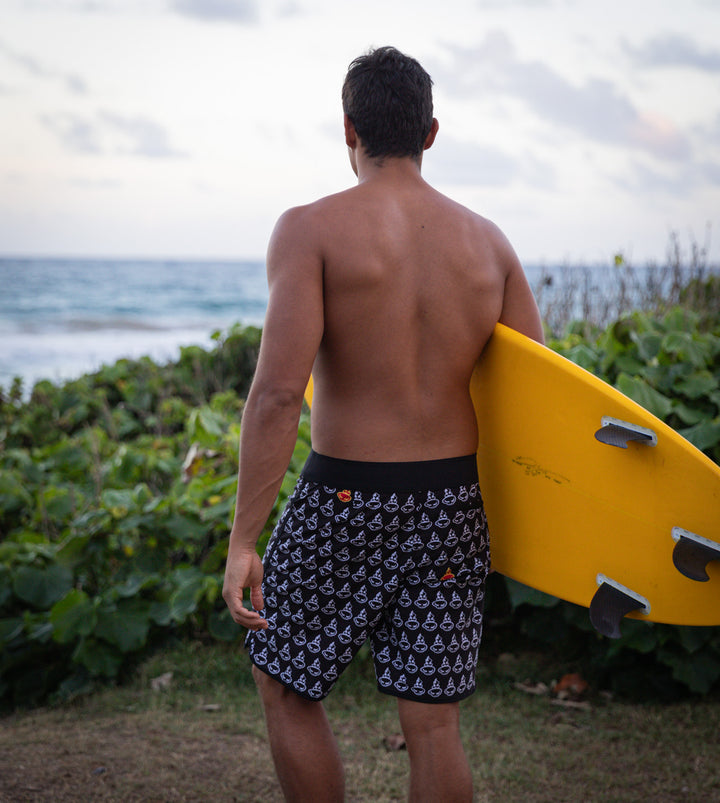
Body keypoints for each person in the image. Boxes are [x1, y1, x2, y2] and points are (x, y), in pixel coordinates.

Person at [223, 46, 544, 802]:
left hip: (344, 501)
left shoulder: (311, 231)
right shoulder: (490, 245)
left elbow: (276, 395)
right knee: (433, 723)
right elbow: (530, 401)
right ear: (432, 132)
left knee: (288, 685)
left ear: (348, 129)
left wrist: (244, 538)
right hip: (452, 505)